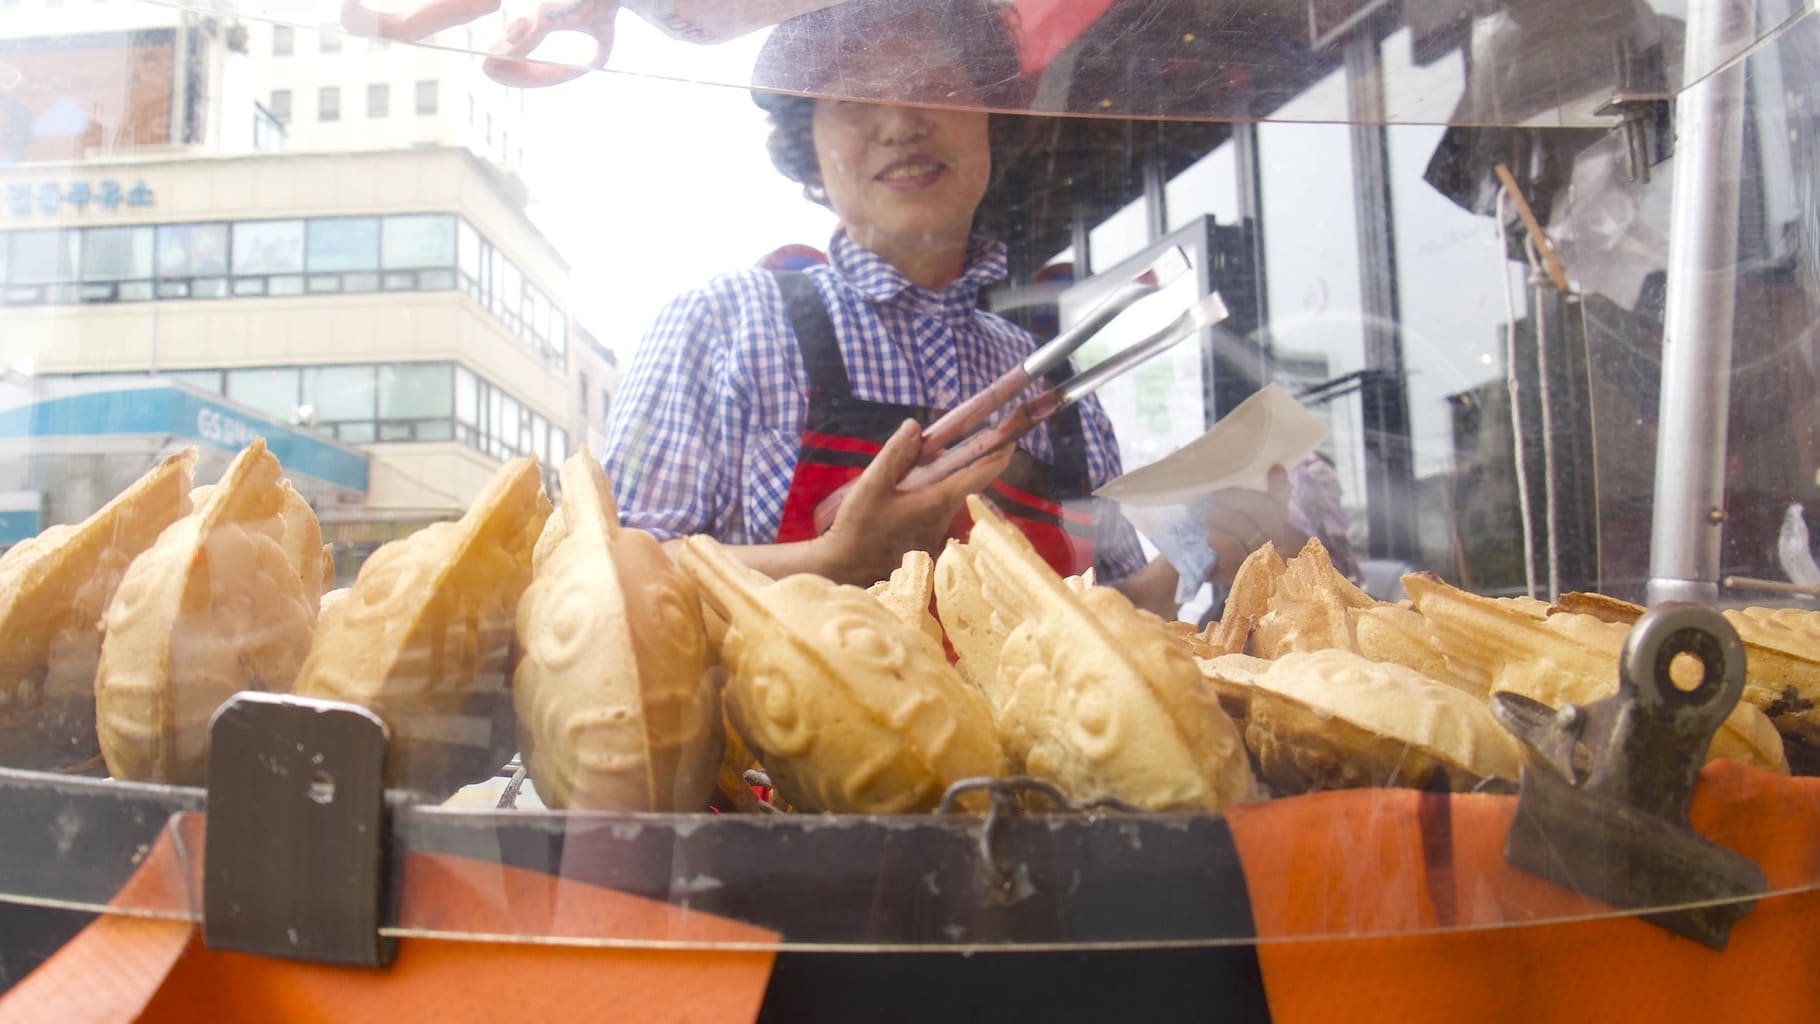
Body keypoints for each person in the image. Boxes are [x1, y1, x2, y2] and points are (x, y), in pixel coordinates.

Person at [601, 0, 1302, 618]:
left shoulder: (1062, 397)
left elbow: (1109, 628)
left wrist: (1193, 562)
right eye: (851, 99)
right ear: (808, 144)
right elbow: (606, 582)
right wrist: (830, 563)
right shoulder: (720, 327)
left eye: (934, 85)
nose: (902, 122)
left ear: (990, 118)